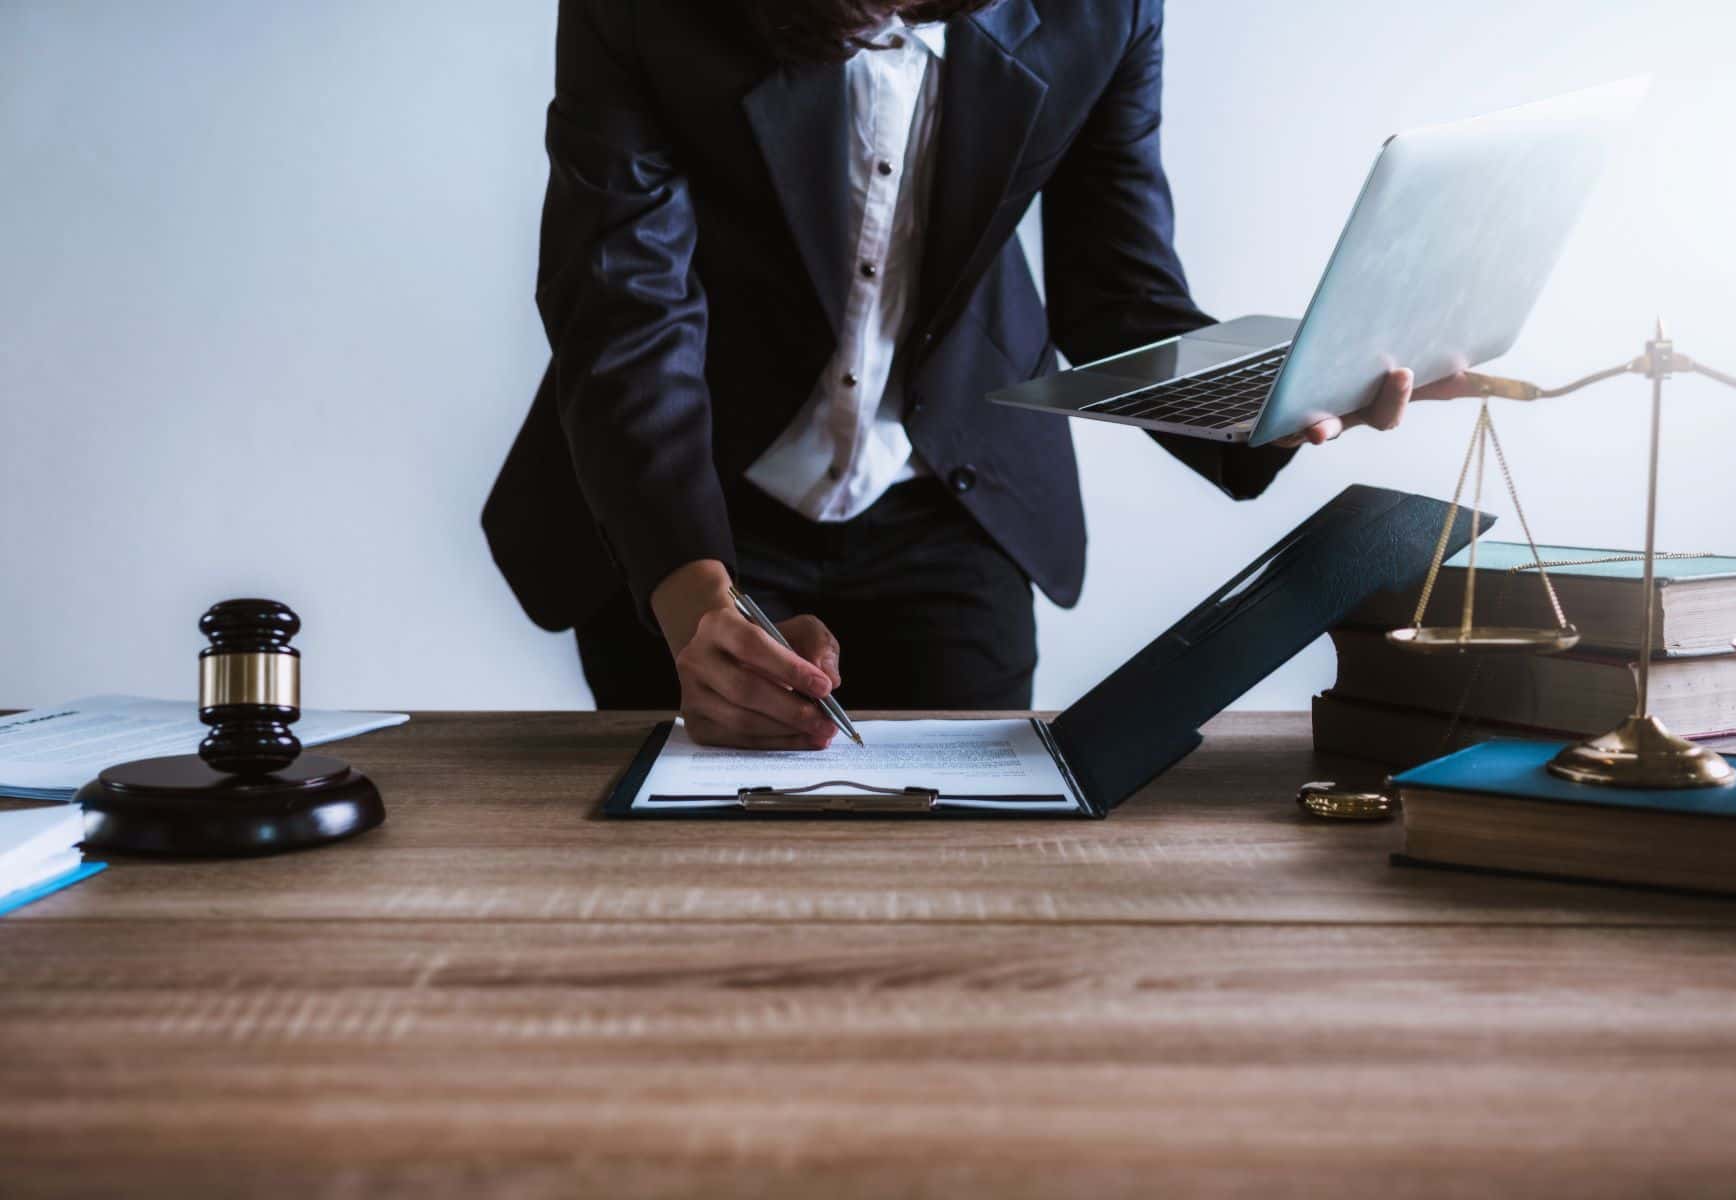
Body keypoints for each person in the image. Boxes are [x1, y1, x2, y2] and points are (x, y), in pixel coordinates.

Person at [483, 0, 1465, 748]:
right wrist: (694, 601)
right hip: (685, 500)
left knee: (972, 863)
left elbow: (1116, 290)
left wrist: (1285, 392)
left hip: (956, 505)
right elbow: (624, 306)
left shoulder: (1103, 9)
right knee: (682, 876)